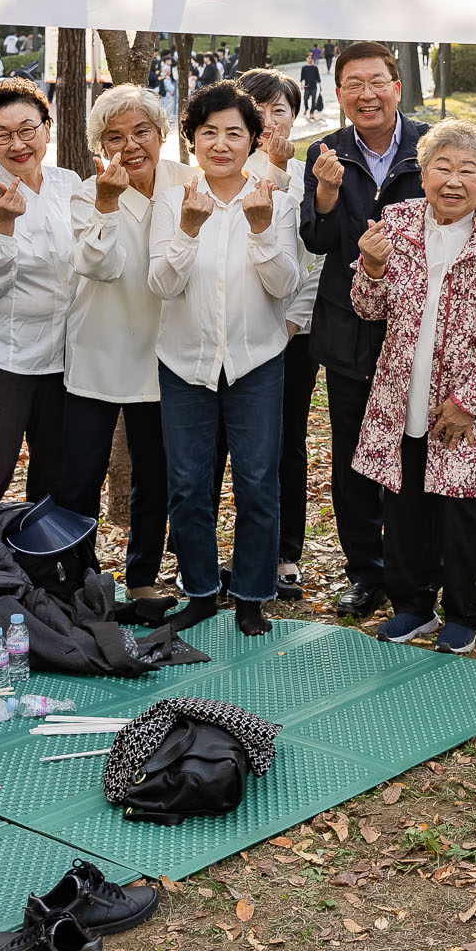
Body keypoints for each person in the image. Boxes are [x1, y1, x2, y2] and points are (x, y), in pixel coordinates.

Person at [354, 121, 476, 653]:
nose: (453, 181)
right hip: (399, 393)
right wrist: (371, 265)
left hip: (466, 402)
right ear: (423, 172)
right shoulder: (397, 222)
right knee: (403, 505)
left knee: (459, 510)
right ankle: (411, 606)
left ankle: (463, 612)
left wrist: (467, 402)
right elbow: (368, 308)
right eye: (442, 167)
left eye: (467, 170)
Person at [149, 83, 299, 636]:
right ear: (192, 139)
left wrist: (261, 226)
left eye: (234, 132)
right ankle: (200, 590)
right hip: (185, 362)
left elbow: (284, 282)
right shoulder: (175, 202)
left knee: (258, 479)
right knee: (188, 482)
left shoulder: (274, 201)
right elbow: (160, 283)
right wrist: (189, 229)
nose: (221, 143)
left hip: (256, 361)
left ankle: (253, 593)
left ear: (253, 141)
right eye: (208, 132)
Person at [300, 41, 431, 617]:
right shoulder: (323, 152)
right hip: (348, 327)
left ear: (397, 87)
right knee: (355, 457)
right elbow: (318, 241)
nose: (366, 94)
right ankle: (365, 571)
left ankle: (420, 569)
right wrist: (326, 197)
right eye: (353, 84)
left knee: (417, 449)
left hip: (418, 326)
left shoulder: (432, 146)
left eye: (377, 82)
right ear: (338, 93)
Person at [68, 85, 187, 608]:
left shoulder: (188, 183)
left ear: (161, 134)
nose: (131, 145)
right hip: (98, 349)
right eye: (115, 137)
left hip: (164, 352)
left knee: (154, 474)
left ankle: (142, 577)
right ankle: (80, 576)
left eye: (142, 131)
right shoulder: (86, 193)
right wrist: (108, 203)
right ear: (101, 146)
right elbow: (101, 266)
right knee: (82, 473)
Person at [0, 83, 82, 515]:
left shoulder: (70, 184)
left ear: (47, 129)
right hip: (2, 355)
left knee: (55, 467)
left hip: (64, 353)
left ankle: (44, 567)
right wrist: (3, 224)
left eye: (27, 129)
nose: (17, 143)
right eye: (2, 134)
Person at [237, 67, 318, 601]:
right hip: (233, 331)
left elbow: (317, 258)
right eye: (258, 110)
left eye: (280, 110)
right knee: (224, 443)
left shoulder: (313, 172)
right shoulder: (218, 171)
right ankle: (217, 552)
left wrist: (293, 322)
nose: (269, 121)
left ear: (296, 114)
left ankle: (286, 552)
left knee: (285, 442)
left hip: (292, 332)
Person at [300, 50, 324, 119]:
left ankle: (311, 113)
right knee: (305, 99)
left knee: (313, 101)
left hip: (314, 86)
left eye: (311, 58)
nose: (310, 59)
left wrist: (320, 85)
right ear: (306, 59)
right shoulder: (304, 68)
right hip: (307, 86)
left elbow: (318, 77)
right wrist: (301, 84)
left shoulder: (315, 68)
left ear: (312, 59)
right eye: (309, 58)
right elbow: (302, 77)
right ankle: (306, 108)